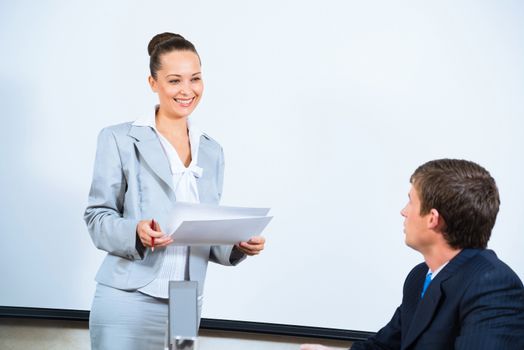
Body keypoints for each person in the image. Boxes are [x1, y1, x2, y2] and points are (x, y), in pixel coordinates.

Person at [84, 32, 265, 350]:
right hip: (128, 294)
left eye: (195, 79)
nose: (187, 90)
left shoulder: (212, 150)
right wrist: (135, 232)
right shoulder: (119, 139)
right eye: (174, 80)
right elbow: (97, 217)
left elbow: (201, 232)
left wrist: (236, 244)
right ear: (153, 83)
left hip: (186, 300)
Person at [301, 159, 524, 350]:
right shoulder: (420, 277)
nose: (403, 211)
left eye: (411, 201)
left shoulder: (492, 285)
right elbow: (385, 346)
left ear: (432, 219)